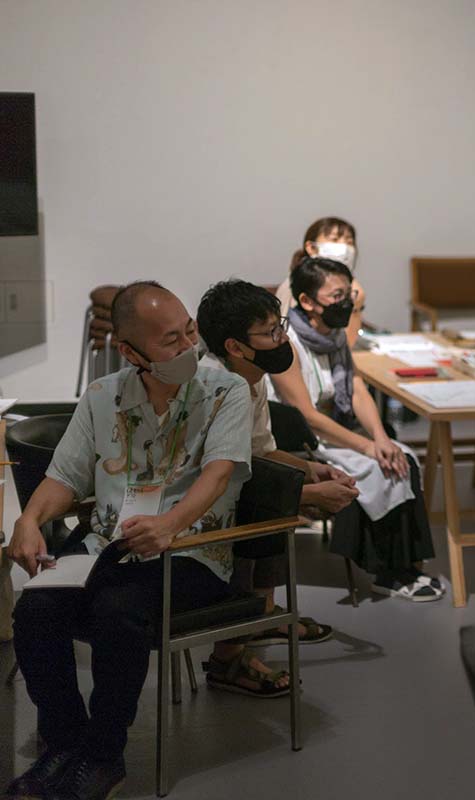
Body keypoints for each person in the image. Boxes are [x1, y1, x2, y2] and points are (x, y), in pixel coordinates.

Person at [5, 282, 253, 800]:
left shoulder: (226, 390)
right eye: (171, 340)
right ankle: (64, 745)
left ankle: (103, 756)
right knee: (35, 609)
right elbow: (64, 476)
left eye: (189, 332)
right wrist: (29, 519)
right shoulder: (103, 396)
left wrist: (169, 524)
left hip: (191, 550)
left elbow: (218, 474)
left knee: (117, 612)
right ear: (131, 351)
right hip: (109, 544)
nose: (188, 346)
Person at [197, 279, 360, 697]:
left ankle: (259, 618)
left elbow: (262, 450)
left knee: (282, 494)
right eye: (270, 332)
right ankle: (228, 657)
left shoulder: (251, 375)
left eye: (280, 326)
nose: (282, 339)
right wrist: (308, 495)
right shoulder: (216, 385)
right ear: (235, 346)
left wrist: (311, 470)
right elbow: (226, 480)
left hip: (232, 489)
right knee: (265, 514)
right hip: (202, 506)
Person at [270, 256, 443, 601]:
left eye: (348, 294)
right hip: (303, 440)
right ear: (307, 301)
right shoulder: (287, 343)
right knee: (375, 468)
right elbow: (306, 415)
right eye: (337, 296)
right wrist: (367, 447)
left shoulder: (334, 336)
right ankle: (385, 572)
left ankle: (408, 565)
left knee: (403, 457)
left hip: (335, 428)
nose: (346, 303)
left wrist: (380, 438)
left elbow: (356, 389)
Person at [275, 216, 368, 347]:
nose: (345, 247)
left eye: (349, 241)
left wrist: (356, 306)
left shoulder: (352, 287)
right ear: (312, 248)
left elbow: (344, 343)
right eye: (335, 239)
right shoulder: (296, 285)